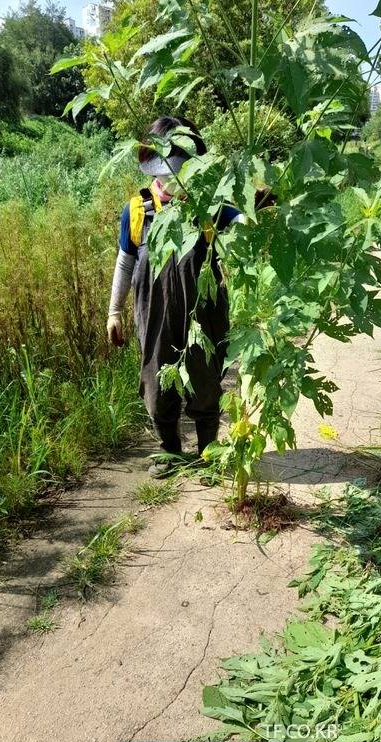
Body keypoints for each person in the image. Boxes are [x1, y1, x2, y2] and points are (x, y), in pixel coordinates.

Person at [106, 116, 242, 478]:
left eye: (180, 165)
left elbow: (244, 222)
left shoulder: (209, 205)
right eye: (164, 166)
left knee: (205, 377)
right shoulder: (137, 211)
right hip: (155, 314)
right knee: (156, 377)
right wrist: (114, 312)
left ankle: (208, 451)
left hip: (204, 313)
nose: (172, 176)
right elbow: (125, 263)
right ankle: (169, 452)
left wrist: (258, 206)